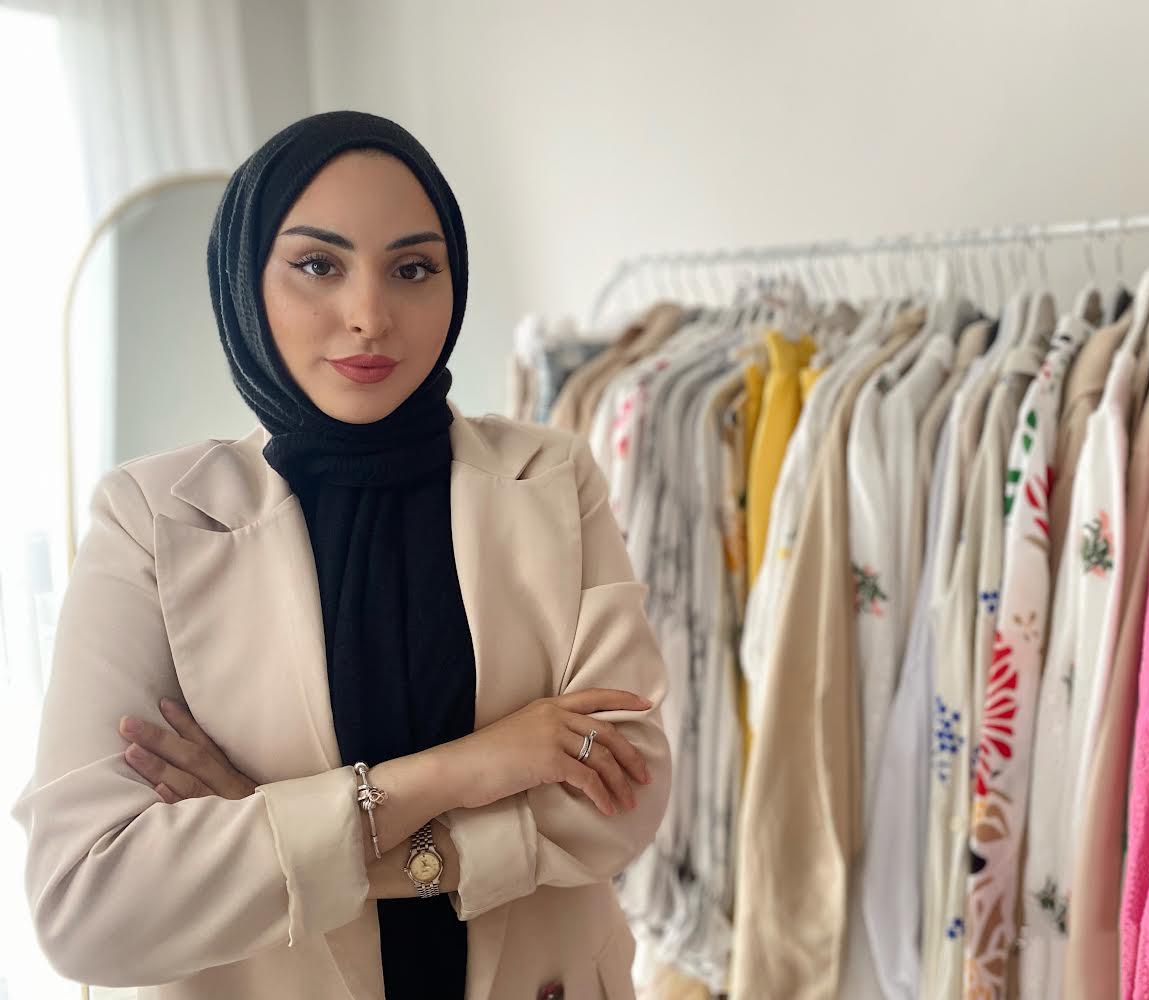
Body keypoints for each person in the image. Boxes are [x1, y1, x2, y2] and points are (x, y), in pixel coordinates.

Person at [10, 110, 671, 1000]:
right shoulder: (153, 521)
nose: (369, 316)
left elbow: (624, 800)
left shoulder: (548, 475)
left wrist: (268, 822)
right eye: (319, 265)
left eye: (413, 269)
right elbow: (87, 909)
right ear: (246, 280)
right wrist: (468, 768)